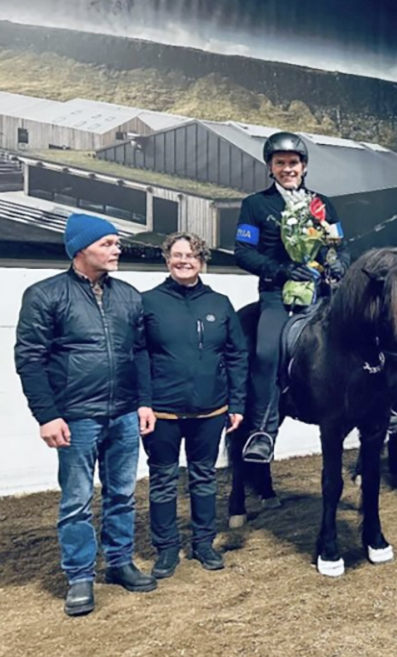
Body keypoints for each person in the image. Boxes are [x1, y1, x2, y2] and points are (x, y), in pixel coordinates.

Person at [14, 213, 157, 617]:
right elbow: (30, 358)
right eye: (108, 243)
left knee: (123, 494)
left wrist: (143, 402)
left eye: (117, 243)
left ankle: (119, 562)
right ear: (81, 249)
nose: (117, 250)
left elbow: (140, 351)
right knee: (76, 499)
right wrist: (47, 415)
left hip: (125, 413)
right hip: (76, 417)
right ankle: (79, 576)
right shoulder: (45, 294)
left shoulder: (129, 295)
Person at [234, 131, 349, 463]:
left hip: (323, 294)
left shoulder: (323, 204)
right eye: (280, 163)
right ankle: (263, 431)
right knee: (267, 352)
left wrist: (339, 264)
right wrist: (281, 270)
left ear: (304, 166)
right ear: (271, 167)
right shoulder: (256, 205)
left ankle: (375, 409)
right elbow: (244, 252)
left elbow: (340, 245)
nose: (287, 169)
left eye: (293, 163)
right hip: (277, 297)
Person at [141, 232, 249, 577]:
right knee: (162, 480)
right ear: (167, 260)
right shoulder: (148, 302)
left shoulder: (219, 303)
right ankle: (166, 549)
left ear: (202, 261)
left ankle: (203, 544)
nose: (183, 260)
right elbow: (137, 355)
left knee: (203, 477)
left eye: (191, 255)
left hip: (211, 410)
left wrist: (237, 403)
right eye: (177, 255)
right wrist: (142, 402)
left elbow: (237, 355)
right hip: (162, 412)